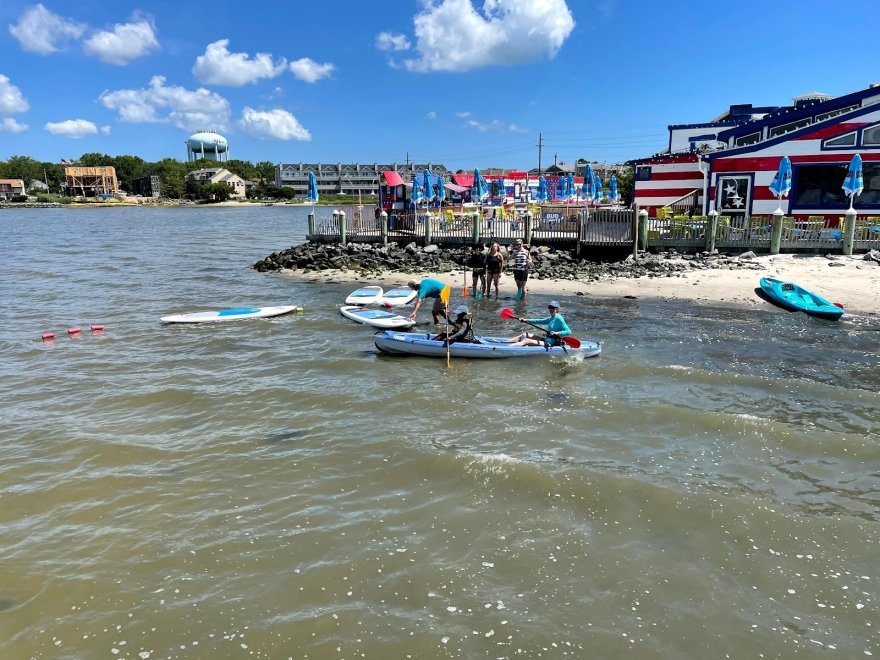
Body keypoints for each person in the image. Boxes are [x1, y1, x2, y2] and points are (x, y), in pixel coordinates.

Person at [506, 300, 571, 347]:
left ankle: (506, 348)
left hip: (550, 343)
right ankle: (504, 343)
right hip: (546, 339)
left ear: (557, 309)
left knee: (526, 340)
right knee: (524, 335)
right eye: (549, 307)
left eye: (552, 308)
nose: (550, 309)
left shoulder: (559, 318)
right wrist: (525, 320)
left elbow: (568, 331)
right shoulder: (551, 317)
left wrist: (557, 333)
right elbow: (539, 321)